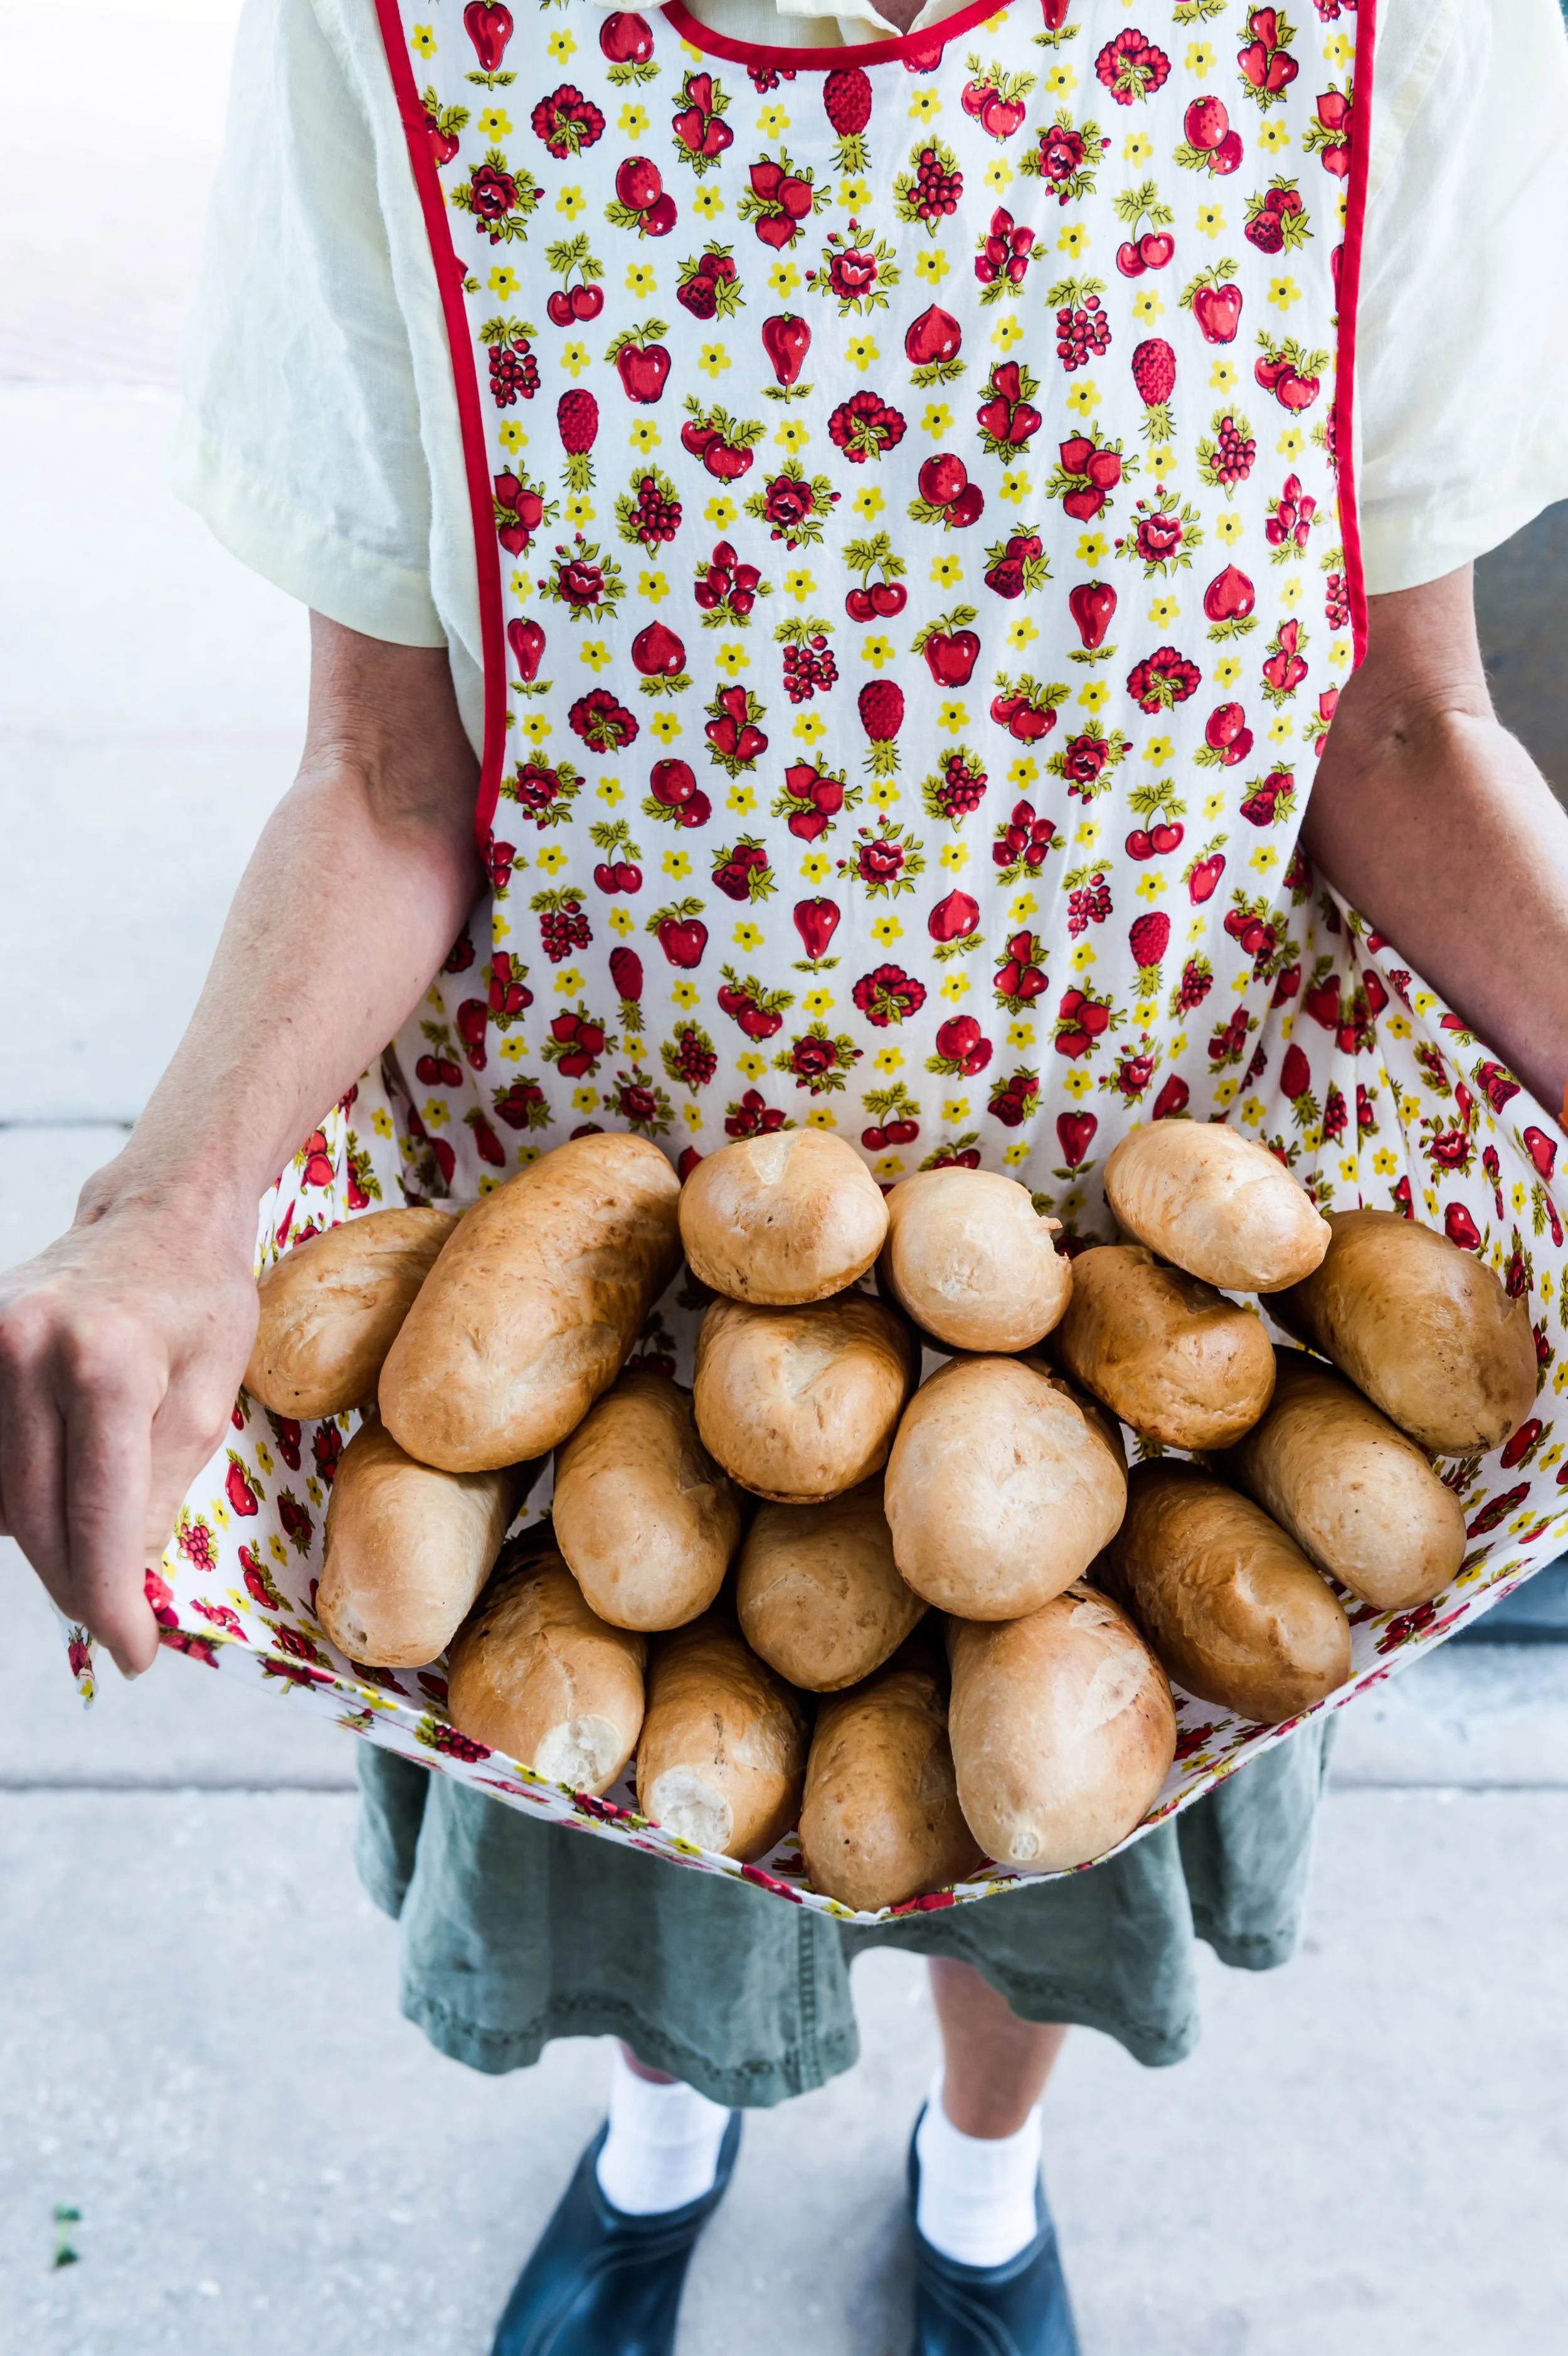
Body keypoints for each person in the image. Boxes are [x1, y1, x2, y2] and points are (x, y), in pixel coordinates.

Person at [6, 1, 1568, 2350]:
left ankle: (978, 2185)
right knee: (650, 1829)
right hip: (610, 1321)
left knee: (1045, 1823)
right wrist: (172, 1195)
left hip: (1131, 1340)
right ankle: (665, 2140)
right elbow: (386, 775)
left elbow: (1402, 715)